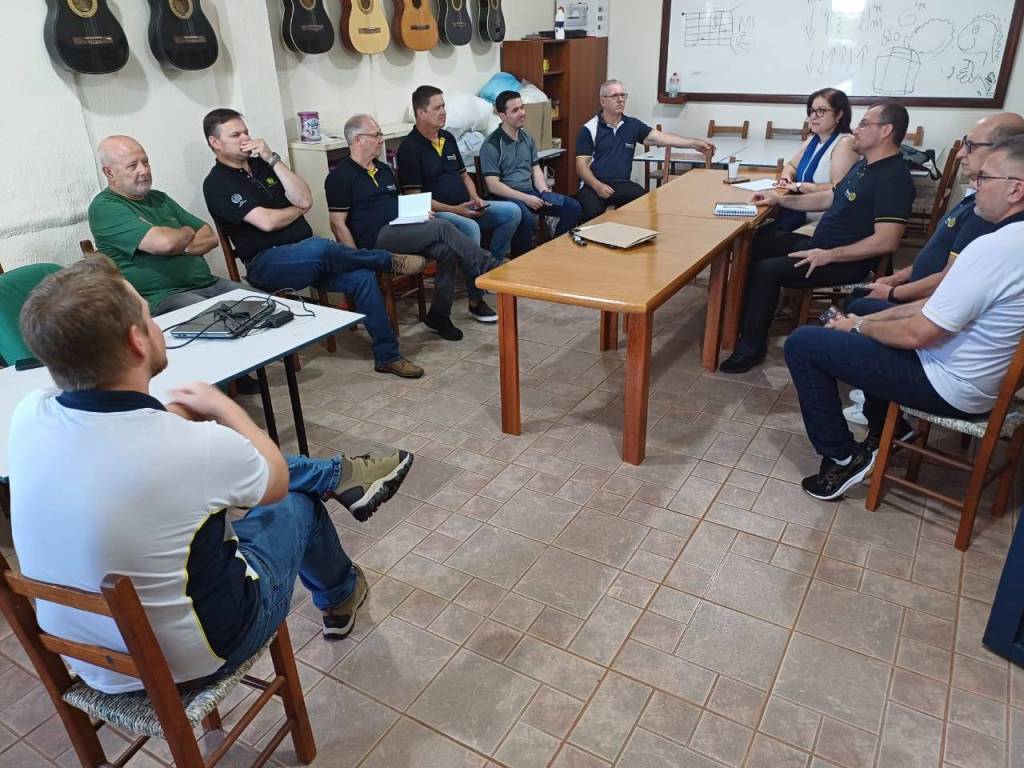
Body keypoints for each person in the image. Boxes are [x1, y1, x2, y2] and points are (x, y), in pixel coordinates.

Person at [10, 255, 415, 693]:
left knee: (208, 507)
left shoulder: (28, 414)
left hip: (91, 664)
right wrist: (225, 408)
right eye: (149, 317)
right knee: (295, 500)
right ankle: (341, 590)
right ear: (137, 341)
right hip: (197, 660)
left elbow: (120, 436)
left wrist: (174, 415)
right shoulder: (193, 446)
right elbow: (275, 480)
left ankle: (341, 476)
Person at [782, 135, 1024, 501]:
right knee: (863, 316)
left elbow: (917, 335)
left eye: (984, 178)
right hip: (972, 375)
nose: (975, 185)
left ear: (1015, 190)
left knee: (803, 344)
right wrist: (870, 320)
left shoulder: (995, 248)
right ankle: (889, 428)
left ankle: (843, 458)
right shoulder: (1010, 241)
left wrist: (858, 327)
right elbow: (935, 306)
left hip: (949, 385)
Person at [201, 108, 423, 379]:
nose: (245, 138)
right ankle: (386, 260)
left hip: (310, 256)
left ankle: (388, 356)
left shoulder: (264, 165)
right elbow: (267, 223)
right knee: (320, 246)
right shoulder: (216, 183)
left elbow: (305, 199)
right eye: (236, 135)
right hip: (267, 263)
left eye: (246, 132)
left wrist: (272, 158)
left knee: (362, 277)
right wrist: (296, 211)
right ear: (215, 142)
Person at [841, 113, 1024, 424]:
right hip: (943, 331)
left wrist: (873, 313)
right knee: (860, 308)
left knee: (823, 332)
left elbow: (925, 324)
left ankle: (878, 417)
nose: (962, 153)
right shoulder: (983, 209)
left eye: (971, 145)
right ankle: (876, 400)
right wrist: (898, 278)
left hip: (950, 374)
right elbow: (936, 260)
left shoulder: (991, 231)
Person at [719, 103, 916, 374]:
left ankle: (751, 347)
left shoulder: (894, 178)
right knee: (757, 239)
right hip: (821, 247)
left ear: (885, 131)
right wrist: (780, 200)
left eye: (864, 124)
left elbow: (886, 241)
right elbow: (829, 198)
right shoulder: (864, 166)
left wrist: (828, 255)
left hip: (845, 261)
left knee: (767, 270)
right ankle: (739, 319)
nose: (855, 129)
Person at [327, 114, 505, 340]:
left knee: (446, 251)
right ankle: (489, 265)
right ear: (358, 140)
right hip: (375, 238)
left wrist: (418, 213)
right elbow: (337, 224)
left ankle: (439, 315)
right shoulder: (340, 176)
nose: (381, 140)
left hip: (401, 229)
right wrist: (359, 260)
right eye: (376, 135)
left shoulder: (383, 169)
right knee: (442, 227)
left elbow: (397, 203)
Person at [397, 85, 520, 321]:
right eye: (437, 108)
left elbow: (464, 176)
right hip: (440, 215)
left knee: (512, 212)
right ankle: (476, 299)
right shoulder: (409, 149)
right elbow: (415, 198)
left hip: (466, 205)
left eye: (444, 106)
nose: (443, 112)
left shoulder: (448, 138)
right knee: (471, 228)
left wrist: (475, 198)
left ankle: (488, 273)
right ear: (421, 113)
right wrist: (456, 210)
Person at [89, 135, 248, 315]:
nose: (144, 170)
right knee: (221, 317)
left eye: (145, 162)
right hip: (163, 298)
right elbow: (165, 244)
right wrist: (187, 230)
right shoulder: (105, 207)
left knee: (265, 303)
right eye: (133, 166)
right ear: (109, 173)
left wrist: (180, 246)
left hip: (209, 284)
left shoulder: (159, 198)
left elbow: (210, 237)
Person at [575, 79, 714, 222]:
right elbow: (581, 166)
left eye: (623, 95)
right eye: (615, 96)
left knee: (645, 205)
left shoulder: (632, 125)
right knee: (592, 214)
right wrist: (597, 186)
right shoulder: (590, 128)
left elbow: (662, 138)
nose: (620, 99)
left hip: (621, 184)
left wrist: (694, 143)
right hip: (593, 185)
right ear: (603, 101)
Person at [481, 90, 582, 252]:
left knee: (573, 207)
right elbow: (493, 186)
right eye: (515, 110)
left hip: (530, 192)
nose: (522, 113)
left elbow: (535, 169)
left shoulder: (527, 138)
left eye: (522, 108)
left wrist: (544, 192)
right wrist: (526, 198)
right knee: (525, 218)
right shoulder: (491, 144)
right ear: (502, 115)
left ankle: (555, 250)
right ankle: (521, 260)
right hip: (506, 198)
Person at [771, 88, 858, 232]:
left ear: (839, 114)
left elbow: (838, 189)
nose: (813, 117)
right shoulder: (813, 140)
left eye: (821, 111)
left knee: (762, 238)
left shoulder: (845, 142)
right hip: (799, 210)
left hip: (822, 220)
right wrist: (786, 178)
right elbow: (791, 165)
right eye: (811, 111)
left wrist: (799, 186)